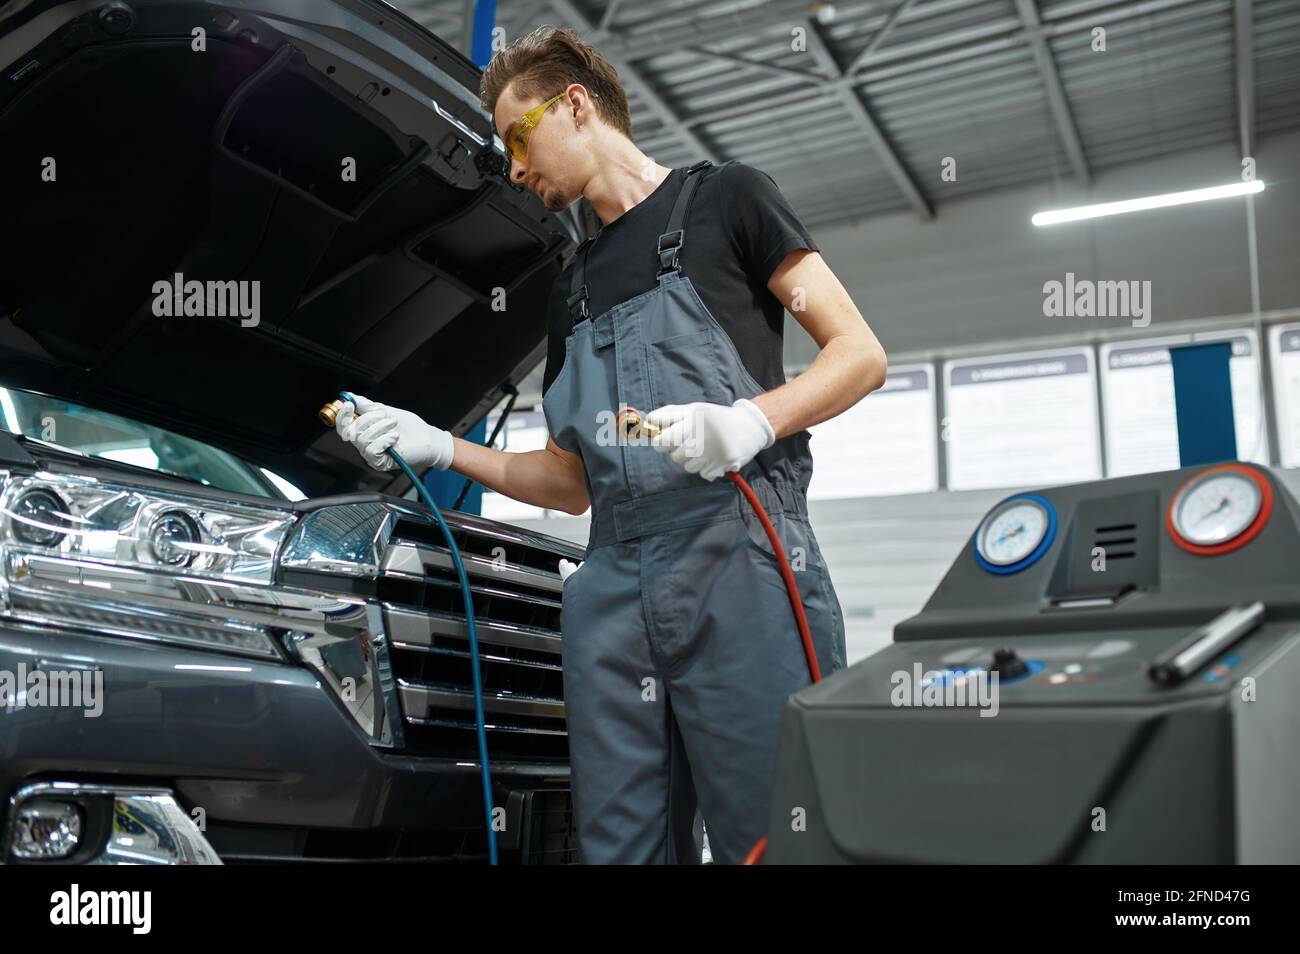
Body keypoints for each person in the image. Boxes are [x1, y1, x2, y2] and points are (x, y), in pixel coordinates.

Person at [335, 25, 888, 864]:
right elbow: (568, 481)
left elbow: (860, 354)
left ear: (577, 104)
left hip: (739, 565)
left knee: (776, 835)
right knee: (619, 849)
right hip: (613, 591)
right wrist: (442, 448)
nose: (515, 171)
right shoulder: (572, 286)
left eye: (519, 137)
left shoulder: (728, 201)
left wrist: (751, 422)